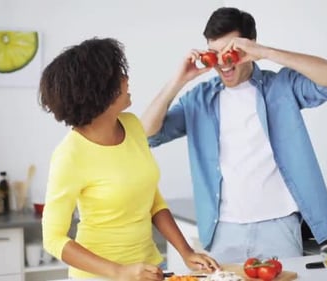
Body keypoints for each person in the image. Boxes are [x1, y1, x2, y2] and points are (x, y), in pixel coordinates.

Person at [141, 7, 327, 264]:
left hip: (279, 227)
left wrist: (267, 53)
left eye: (231, 51)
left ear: (249, 46)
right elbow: (147, 135)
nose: (223, 62)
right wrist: (178, 80)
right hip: (223, 231)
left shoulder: (281, 87)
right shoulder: (198, 100)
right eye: (215, 54)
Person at [39, 37, 219, 281]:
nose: (126, 79)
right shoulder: (69, 155)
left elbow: (153, 202)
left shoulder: (132, 125)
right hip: (99, 277)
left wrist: (186, 252)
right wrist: (120, 271)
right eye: (119, 75)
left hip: (148, 271)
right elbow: (53, 239)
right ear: (101, 91)